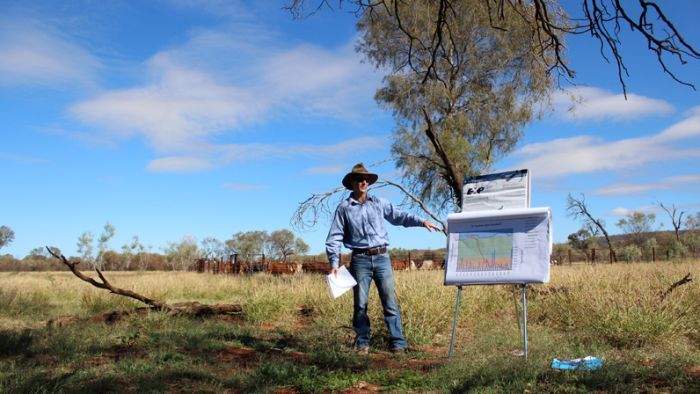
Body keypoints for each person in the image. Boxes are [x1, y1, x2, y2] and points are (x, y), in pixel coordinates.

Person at [326, 163, 441, 354]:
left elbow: (400, 217)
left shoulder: (379, 203)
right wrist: (333, 263)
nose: (364, 182)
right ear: (352, 183)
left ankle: (398, 343)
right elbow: (334, 237)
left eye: (367, 180)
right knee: (360, 304)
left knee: (389, 302)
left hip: (382, 258)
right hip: (360, 260)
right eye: (360, 179)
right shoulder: (344, 208)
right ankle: (362, 342)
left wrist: (421, 221)